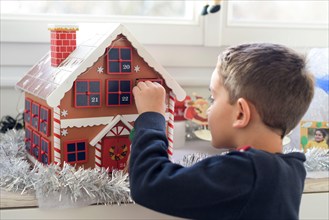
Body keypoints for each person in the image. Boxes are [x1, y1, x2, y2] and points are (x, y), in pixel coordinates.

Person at [129, 43, 314, 220]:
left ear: (241, 113)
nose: (209, 109)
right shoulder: (291, 170)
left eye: (213, 98)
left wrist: (152, 115)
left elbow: (150, 183)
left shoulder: (247, 173)